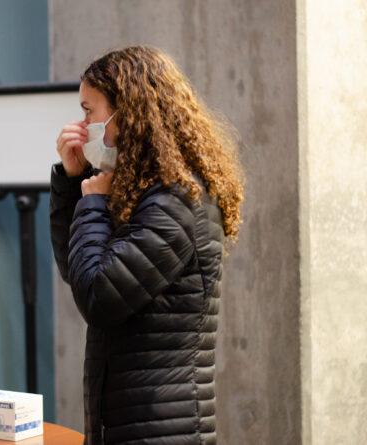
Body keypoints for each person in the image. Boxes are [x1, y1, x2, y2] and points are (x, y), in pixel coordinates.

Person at [50, 46, 245, 445]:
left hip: (161, 432)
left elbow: (98, 298)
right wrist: (73, 185)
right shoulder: (145, 192)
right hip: (133, 425)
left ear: (129, 112)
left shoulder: (175, 202)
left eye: (89, 111)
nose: (82, 125)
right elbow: (79, 270)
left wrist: (93, 202)